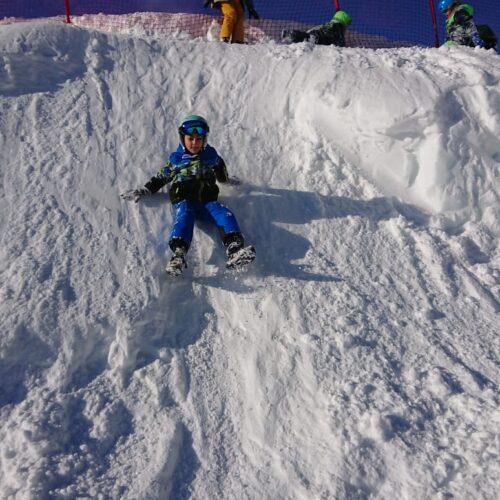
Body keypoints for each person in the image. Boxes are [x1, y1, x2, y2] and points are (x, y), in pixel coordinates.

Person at [121, 115, 255, 275]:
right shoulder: (177, 159)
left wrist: (225, 180)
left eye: (199, 139)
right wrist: (146, 190)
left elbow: (220, 166)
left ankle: (234, 249)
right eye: (190, 139)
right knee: (185, 215)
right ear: (182, 138)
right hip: (184, 199)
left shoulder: (210, 155)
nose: (194, 143)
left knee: (224, 213)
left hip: (207, 201)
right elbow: (162, 177)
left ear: (204, 139)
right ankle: (178, 254)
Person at [281, 10, 352, 47]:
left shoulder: (329, 24)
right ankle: (291, 34)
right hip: (320, 37)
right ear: (343, 22)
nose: (346, 29)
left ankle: (292, 35)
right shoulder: (338, 27)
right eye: (346, 26)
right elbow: (340, 41)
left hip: (315, 33)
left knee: (307, 38)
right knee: (309, 39)